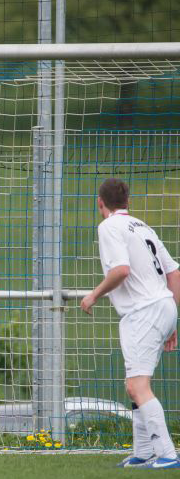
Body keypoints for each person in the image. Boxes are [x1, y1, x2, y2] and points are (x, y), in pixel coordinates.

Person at [81, 178, 180, 469]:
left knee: (138, 386)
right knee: (133, 384)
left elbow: (121, 270)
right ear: (127, 202)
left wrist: (93, 295)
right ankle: (144, 451)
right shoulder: (143, 226)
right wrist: (172, 318)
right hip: (161, 307)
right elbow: (174, 273)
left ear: (100, 203)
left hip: (143, 311)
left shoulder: (109, 226)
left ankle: (167, 455)